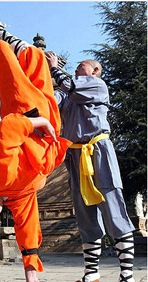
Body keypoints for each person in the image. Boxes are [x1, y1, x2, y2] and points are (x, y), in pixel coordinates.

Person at [0, 7, 71, 282]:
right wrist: (30, 270)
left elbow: (8, 129)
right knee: (36, 59)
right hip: (47, 124)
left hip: (26, 113)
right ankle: (3, 32)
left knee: (4, 58)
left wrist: (35, 124)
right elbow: (27, 225)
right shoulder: (15, 196)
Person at [45, 52, 135, 282]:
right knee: (84, 214)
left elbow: (70, 86)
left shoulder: (96, 85)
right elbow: (51, 100)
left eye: (81, 66)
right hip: (75, 153)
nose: (77, 68)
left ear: (95, 70)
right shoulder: (69, 94)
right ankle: (91, 274)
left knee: (112, 203)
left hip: (98, 150)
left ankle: (126, 275)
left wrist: (54, 66)